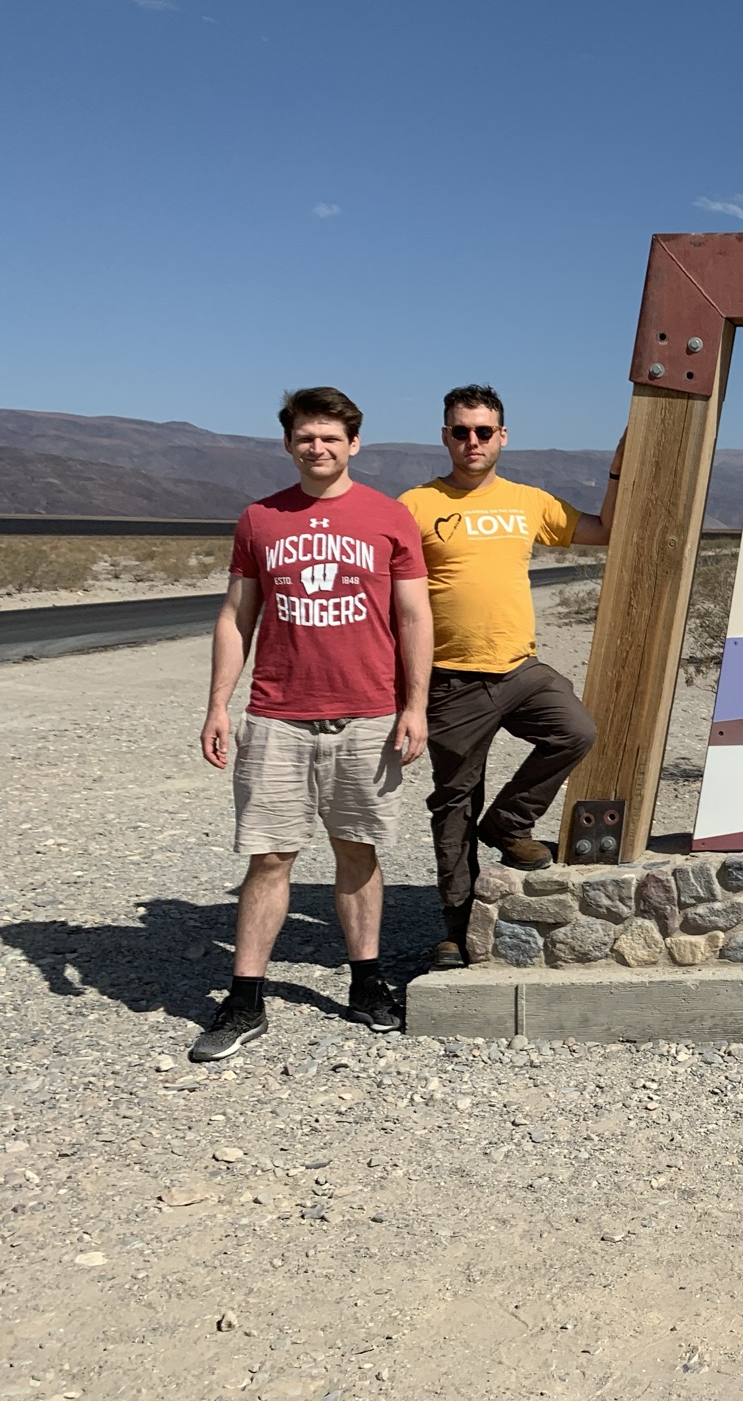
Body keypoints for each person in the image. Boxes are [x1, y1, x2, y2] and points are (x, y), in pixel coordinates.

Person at [192, 387, 432, 1063]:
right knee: (270, 856)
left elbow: (414, 616)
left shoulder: (389, 517)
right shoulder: (260, 519)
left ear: (354, 443)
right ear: (288, 443)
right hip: (278, 716)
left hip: (367, 715)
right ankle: (244, 999)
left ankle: (367, 985)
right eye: (305, 437)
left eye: (330, 437)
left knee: (357, 850)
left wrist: (414, 705)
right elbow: (236, 616)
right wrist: (218, 703)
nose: (317, 448)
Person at [399, 385, 622, 969]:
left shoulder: (528, 501)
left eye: (483, 431)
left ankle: (508, 823)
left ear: (502, 436)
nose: (471, 441)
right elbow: (388, 594)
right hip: (450, 679)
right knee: (454, 803)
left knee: (575, 730)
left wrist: (617, 471)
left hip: (519, 670)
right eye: (460, 431)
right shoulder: (415, 505)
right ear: (445, 436)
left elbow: (603, 530)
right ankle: (456, 929)